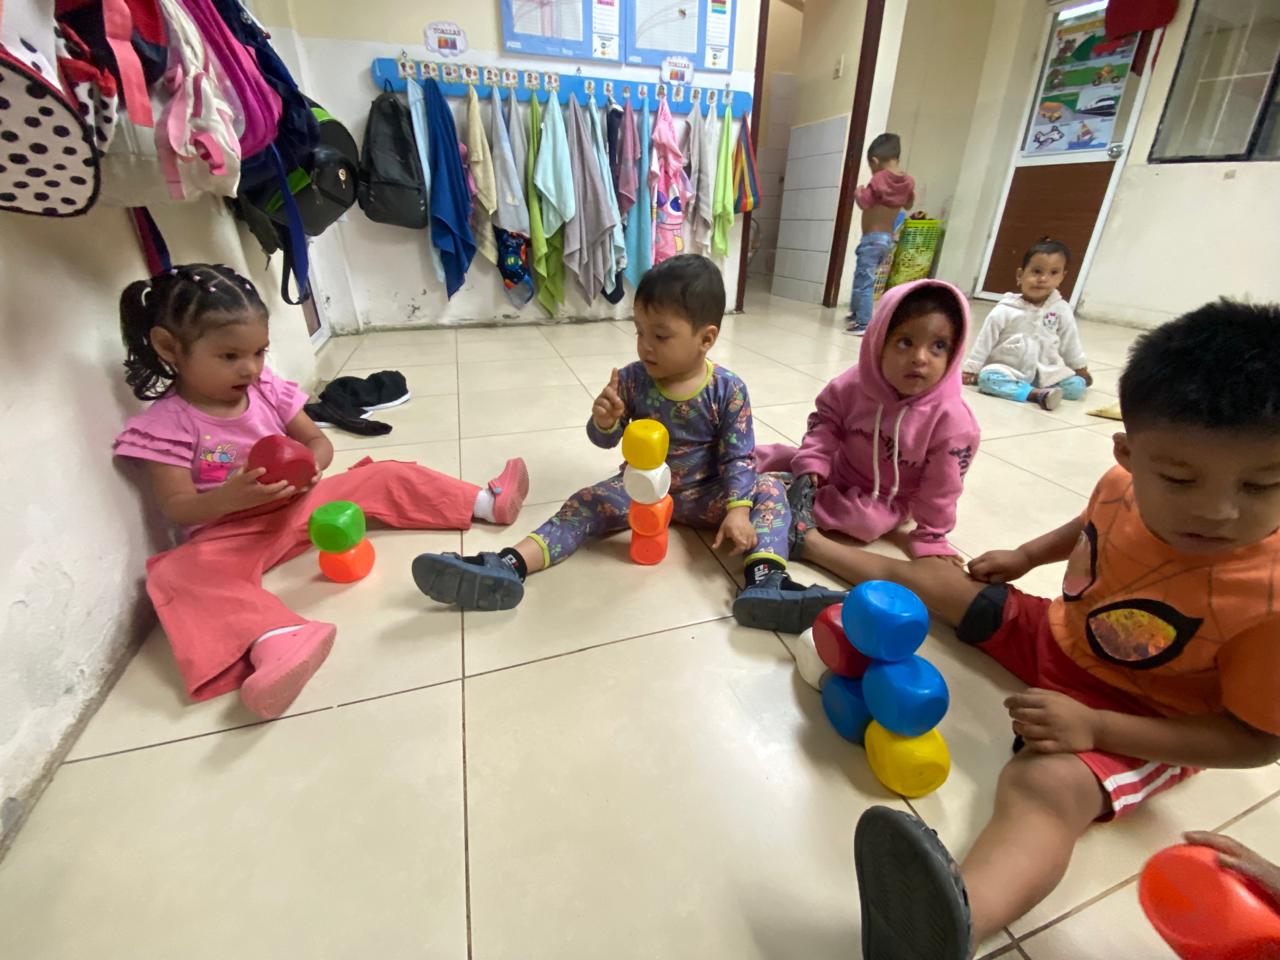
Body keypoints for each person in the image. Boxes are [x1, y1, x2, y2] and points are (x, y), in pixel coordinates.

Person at [810, 300, 1280, 959]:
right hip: (1058, 635)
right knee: (937, 580)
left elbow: (1256, 742)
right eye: (1179, 479)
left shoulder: (1268, 599)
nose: (1218, 510)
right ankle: (807, 544)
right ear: (1128, 454)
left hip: (1146, 718)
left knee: (1044, 788)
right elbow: (1093, 521)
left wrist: (1097, 729)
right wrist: (1026, 556)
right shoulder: (1120, 483)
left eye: (1262, 486)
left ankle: (947, 929)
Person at [112, 264, 530, 720]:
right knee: (175, 574)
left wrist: (312, 465)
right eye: (229, 356)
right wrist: (230, 498)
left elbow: (317, 441)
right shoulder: (166, 425)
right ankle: (276, 640)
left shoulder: (266, 388)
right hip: (230, 532)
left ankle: (485, 503)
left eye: (259, 352)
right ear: (169, 347)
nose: (250, 367)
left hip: (298, 506)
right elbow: (177, 507)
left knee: (384, 475)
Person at [410, 254, 844, 632]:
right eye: (639, 332)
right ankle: (509, 564)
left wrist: (737, 509)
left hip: (708, 493)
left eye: (660, 335)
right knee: (583, 502)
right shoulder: (634, 379)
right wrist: (605, 421)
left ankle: (765, 580)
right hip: (640, 489)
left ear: (706, 338)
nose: (645, 346)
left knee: (769, 488)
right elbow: (604, 440)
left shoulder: (727, 389)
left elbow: (739, 457)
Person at [754, 281, 978, 633]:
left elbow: (944, 486)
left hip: (885, 497)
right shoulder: (853, 384)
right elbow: (825, 423)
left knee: (864, 521)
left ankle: (791, 512)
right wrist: (812, 463)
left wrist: (931, 535)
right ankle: (738, 468)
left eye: (938, 346)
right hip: (840, 467)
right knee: (780, 454)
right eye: (905, 342)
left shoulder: (953, 421)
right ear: (878, 344)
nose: (921, 357)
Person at [961, 238, 1091, 411]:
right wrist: (972, 368)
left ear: (1062, 277)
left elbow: (1070, 342)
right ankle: (1035, 394)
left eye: (1053, 273)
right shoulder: (1005, 309)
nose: (1043, 279)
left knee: (1076, 387)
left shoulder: (1061, 309)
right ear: (1020, 275)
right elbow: (985, 340)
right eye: (1036, 271)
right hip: (1008, 369)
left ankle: (1042, 389)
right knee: (987, 380)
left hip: (1046, 371)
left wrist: (1080, 367)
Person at [847, 133, 915, 334]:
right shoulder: (907, 181)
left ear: (875, 161)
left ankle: (864, 323)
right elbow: (909, 204)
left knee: (864, 282)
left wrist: (858, 192)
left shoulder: (878, 179)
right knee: (864, 278)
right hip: (887, 240)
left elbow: (864, 202)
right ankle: (857, 313)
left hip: (871, 239)